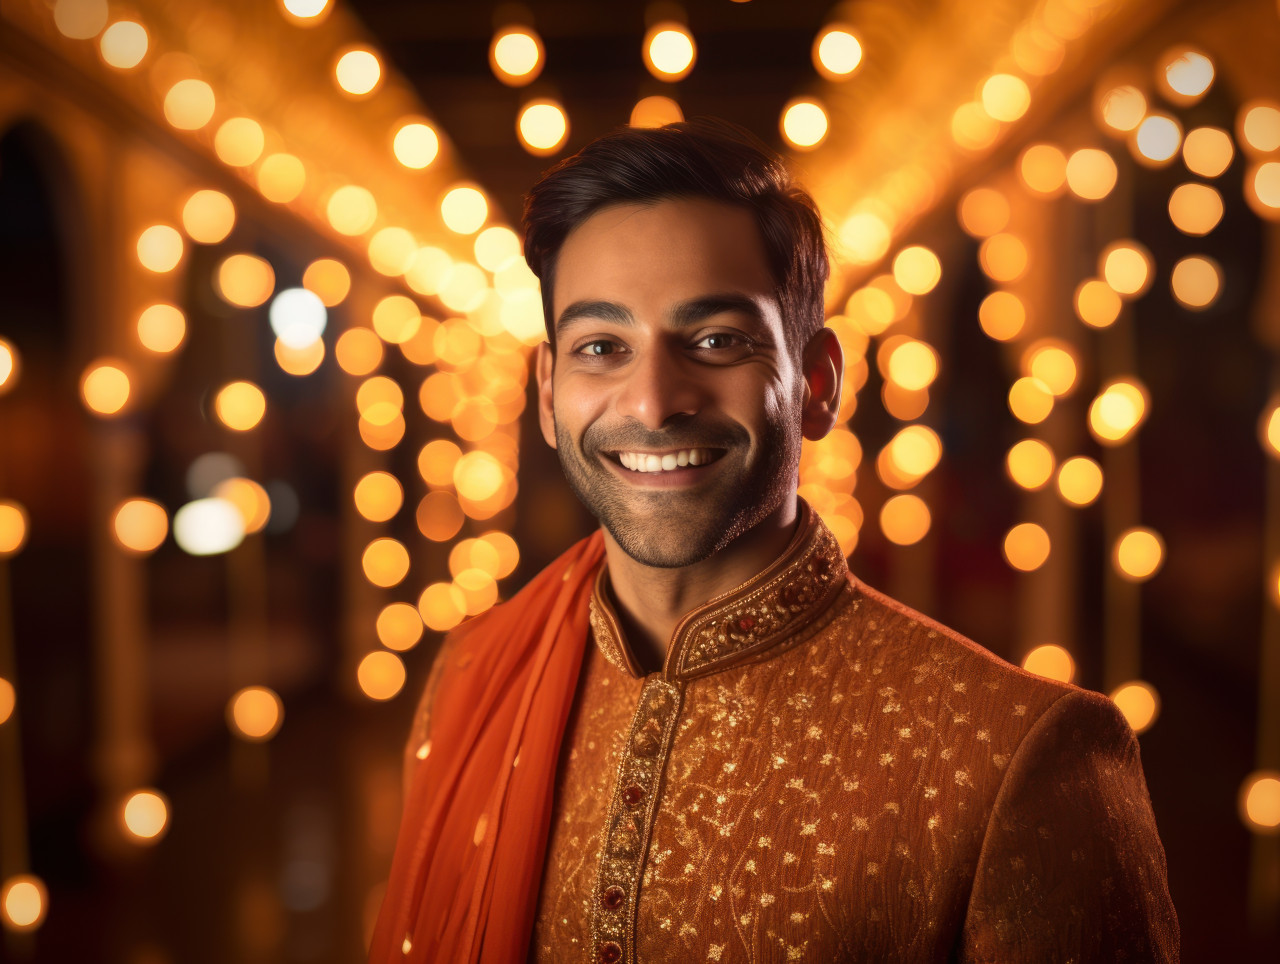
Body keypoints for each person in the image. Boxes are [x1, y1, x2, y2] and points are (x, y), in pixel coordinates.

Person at [370, 119, 1178, 964]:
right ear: (546, 392)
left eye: (716, 340)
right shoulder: (472, 676)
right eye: (601, 347)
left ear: (817, 383)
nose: (651, 403)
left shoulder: (1014, 755)